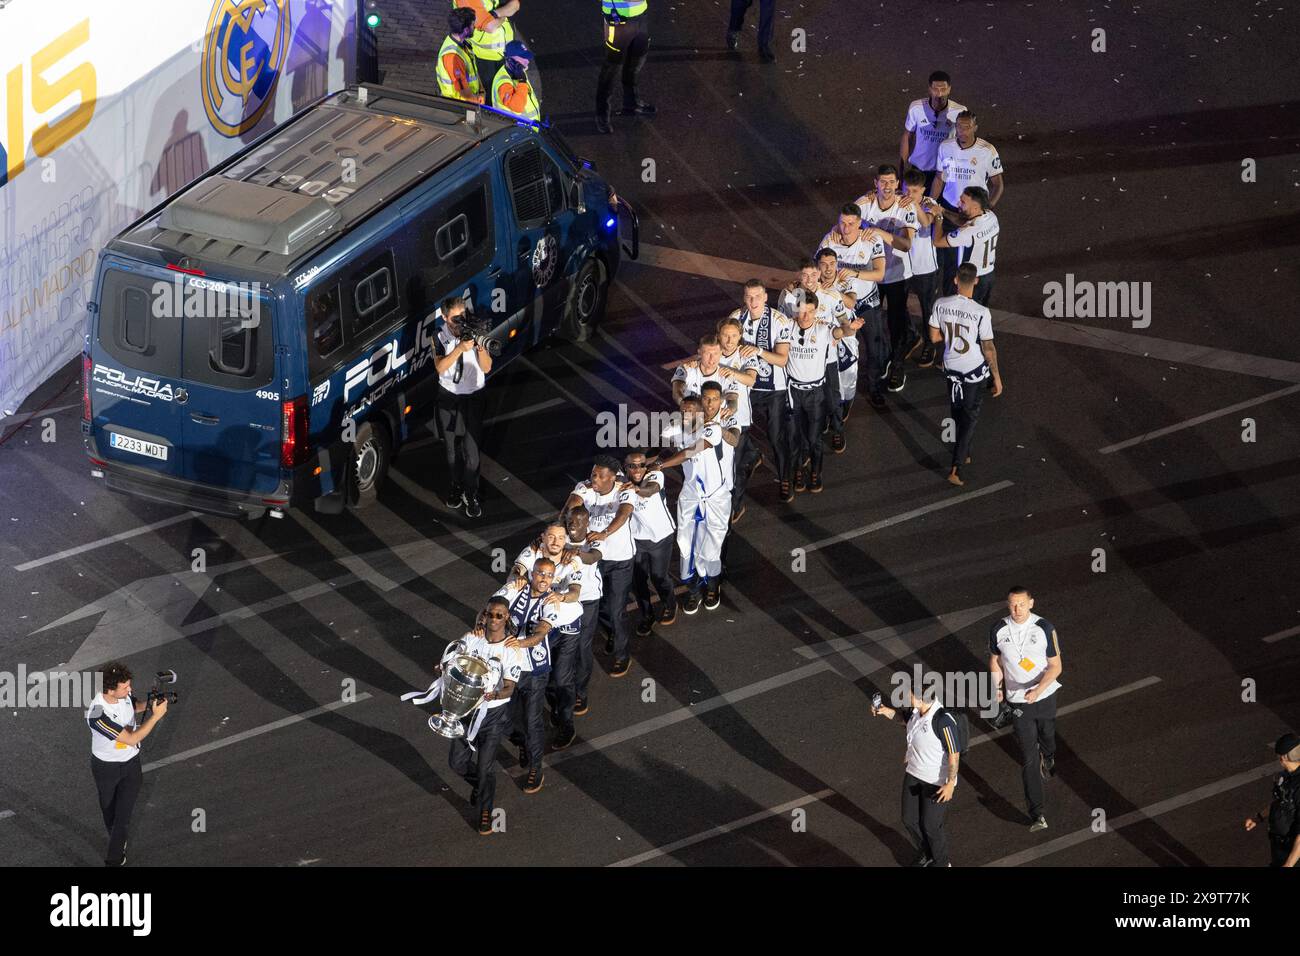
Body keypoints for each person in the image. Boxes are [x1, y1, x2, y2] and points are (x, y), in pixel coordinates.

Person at [442, 596, 527, 835]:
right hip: (466, 712)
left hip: (492, 716)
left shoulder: (511, 649)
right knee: (456, 763)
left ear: (507, 617)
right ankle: (480, 787)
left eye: (500, 615)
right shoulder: (472, 638)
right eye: (490, 614)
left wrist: (496, 694)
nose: (494, 619)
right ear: (484, 615)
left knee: (485, 768)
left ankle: (485, 812)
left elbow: (510, 686)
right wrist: (444, 668)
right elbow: (455, 661)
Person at [654, 389, 737, 612]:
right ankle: (693, 590)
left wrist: (662, 465)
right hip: (690, 495)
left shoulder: (712, 430)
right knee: (684, 546)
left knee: (710, 550)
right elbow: (658, 445)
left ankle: (712, 586)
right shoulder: (676, 428)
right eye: (682, 411)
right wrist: (641, 465)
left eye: (691, 412)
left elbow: (693, 450)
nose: (685, 415)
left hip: (716, 498)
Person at [987, 587, 1061, 833]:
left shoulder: (1045, 628)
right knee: (1028, 757)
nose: (1016, 609)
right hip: (1018, 700)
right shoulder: (998, 629)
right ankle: (1037, 813)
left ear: (1031, 603)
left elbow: (1055, 666)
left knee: (1048, 734)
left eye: (1021, 604)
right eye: (1012, 605)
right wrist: (997, 687)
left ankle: (1049, 755)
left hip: (1045, 695)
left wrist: (1038, 690)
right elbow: (996, 660)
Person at [86, 662, 168, 866]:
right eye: (125, 687)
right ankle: (118, 840)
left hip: (131, 765)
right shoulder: (97, 714)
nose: (130, 689)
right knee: (110, 813)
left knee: (122, 817)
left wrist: (150, 704)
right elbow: (131, 739)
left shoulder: (124, 696)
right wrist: (156, 716)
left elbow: (135, 705)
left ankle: (114, 860)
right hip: (106, 768)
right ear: (109, 690)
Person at [510, 524, 584, 750]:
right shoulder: (531, 552)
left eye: (560, 538)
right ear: (542, 538)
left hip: (567, 625)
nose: (555, 541)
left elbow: (575, 592)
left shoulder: (573, 560)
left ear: (566, 540)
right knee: (545, 677)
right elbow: (515, 571)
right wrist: (518, 579)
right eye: (551, 536)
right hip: (541, 627)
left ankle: (566, 723)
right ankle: (552, 710)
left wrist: (559, 598)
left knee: (562, 678)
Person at [872, 679, 961, 867]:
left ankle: (942, 863)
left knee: (930, 826)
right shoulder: (916, 712)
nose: (907, 697)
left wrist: (950, 784)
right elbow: (905, 721)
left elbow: (954, 753)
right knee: (909, 820)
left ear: (921, 698)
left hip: (936, 782)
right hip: (914, 773)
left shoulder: (943, 720)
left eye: (911, 694)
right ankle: (927, 853)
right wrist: (884, 711)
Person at [928, 263, 1002, 486]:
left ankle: (965, 450)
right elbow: (988, 347)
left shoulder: (940, 304)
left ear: (955, 280)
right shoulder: (981, 312)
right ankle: (956, 467)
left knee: (957, 410)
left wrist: (949, 339)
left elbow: (933, 337)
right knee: (970, 417)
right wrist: (996, 376)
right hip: (972, 371)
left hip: (951, 368)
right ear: (976, 281)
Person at [562, 456, 637, 678]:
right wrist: (561, 526)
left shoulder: (624, 489)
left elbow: (623, 514)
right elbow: (572, 505)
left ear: (612, 477)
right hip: (593, 559)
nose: (594, 479)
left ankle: (622, 655)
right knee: (601, 604)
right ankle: (612, 632)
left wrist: (605, 533)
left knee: (616, 609)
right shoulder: (585, 487)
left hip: (619, 559)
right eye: (593, 473)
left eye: (600, 476)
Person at [497, 558, 568, 794]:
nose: (544, 579)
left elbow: (540, 633)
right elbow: (492, 606)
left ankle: (536, 768)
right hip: (508, 667)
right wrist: (481, 623)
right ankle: (522, 743)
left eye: (549, 576)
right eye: (540, 574)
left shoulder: (552, 601)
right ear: (533, 574)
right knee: (503, 718)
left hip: (534, 670)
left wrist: (519, 643)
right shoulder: (517, 587)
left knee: (532, 720)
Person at [784, 295, 860, 494]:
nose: (805, 315)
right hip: (793, 392)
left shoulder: (823, 329)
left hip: (815, 393)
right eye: (801, 311)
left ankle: (816, 472)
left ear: (816, 311)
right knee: (794, 436)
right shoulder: (787, 327)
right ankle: (798, 469)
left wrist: (850, 327)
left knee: (813, 437)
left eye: (810, 311)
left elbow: (840, 332)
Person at [779, 259, 856, 455]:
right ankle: (806, 445)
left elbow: (844, 322)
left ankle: (837, 429)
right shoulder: (788, 297)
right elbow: (781, 325)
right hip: (799, 359)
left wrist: (843, 333)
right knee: (799, 409)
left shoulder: (831, 295)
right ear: (798, 276)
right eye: (805, 275)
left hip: (827, 358)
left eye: (814, 274)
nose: (810, 279)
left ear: (820, 274)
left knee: (832, 398)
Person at [818, 204, 888, 410]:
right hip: (842, 305)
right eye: (842, 223)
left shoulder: (871, 239)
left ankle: (874, 387)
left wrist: (854, 273)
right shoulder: (830, 238)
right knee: (841, 349)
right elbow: (817, 264)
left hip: (866, 301)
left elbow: (880, 274)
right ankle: (843, 395)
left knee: (874, 348)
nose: (846, 229)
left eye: (851, 224)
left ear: (860, 223)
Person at [857, 165, 919, 393]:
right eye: (882, 182)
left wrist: (879, 232)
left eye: (891, 181)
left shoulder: (905, 208)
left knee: (896, 322)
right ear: (875, 183)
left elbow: (906, 244)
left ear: (897, 183)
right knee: (873, 323)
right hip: (872, 275)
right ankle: (882, 360)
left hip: (896, 275)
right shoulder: (864, 204)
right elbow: (845, 221)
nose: (887, 186)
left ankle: (898, 366)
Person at [931, 111, 1004, 295]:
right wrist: (932, 203)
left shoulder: (987, 150)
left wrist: (987, 208)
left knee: (967, 263)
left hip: (972, 214)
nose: (962, 131)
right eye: (959, 127)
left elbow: (998, 184)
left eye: (967, 127)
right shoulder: (945, 147)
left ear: (975, 128)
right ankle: (948, 298)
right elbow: (940, 179)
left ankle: (968, 298)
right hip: (950, 209)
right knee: (947, 260)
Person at [433, 296, 493, 517]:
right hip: (449, 396)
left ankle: (472, 492)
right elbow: (440, 366)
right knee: (452, 450)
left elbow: (486, 368)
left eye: (464, 315)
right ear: (445, 317)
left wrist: (479, 348)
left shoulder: (475, 328)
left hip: (474, 396)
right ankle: (456, 486)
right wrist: (459, 348)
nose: (461, 321)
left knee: (472, 452)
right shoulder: (439, 335)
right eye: (456, 318)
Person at [734, 280, 793, 501]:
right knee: (739, 431)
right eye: (749, 297)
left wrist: (758, 351)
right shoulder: (736, 318)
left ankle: (785, 476)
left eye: (757, 296)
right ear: (744, 297)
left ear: (766, 297)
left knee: (776, 436)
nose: (753, 301)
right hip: (746, 385)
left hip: (773, 389)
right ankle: (751, 456)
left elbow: (782, 359)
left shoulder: (779, 321)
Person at [623, 450, 678, 636]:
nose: (638, 469)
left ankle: (670, 604)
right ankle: (647, 615)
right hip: (638, 539)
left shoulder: (655, 475)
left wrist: (637, 489)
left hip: (661, 536)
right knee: (638, 581)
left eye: (641, 465)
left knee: (659, 576)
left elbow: (651, 489)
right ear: (626, 468)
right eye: (632, 466)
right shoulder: (622, 483)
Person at [716, 315, 761, 523]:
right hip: (715, 421)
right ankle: (754, 453)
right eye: (725, 335)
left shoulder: (745, 355)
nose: (729, 340)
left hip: (739, 419)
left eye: (734, 336)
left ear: (740, 336)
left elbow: (751, 379)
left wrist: (729, 371)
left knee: (734, 469)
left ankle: (736, 505)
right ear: (719, 336)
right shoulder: (712, 354)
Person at [562, 506, 604, 721]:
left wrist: (576, 552)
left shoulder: (592, 538)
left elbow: (594, 556)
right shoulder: (559, 537)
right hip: (562, 600)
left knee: (582, 645)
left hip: (587, 599)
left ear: (586, 523)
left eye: (577, 522)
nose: (572, 525)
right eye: (570, 520)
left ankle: (581, 691)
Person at [900, 168, 941, 369]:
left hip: (925, 267)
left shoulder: (929, 203)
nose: (910, 195)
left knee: (928, 308)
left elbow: (926, 223)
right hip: (903, 267)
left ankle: (930, 343)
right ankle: (911, 335)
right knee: (899, 305)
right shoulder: (898, 203)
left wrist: (915, 203)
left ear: (923, 190)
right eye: (907, 190)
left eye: (914, 191)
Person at [933, 186, 999, 307]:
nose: (958, 203)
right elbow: (963, 220)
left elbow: (937, 242)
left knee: (967, 315)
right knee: (981, 312)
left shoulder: (969, 231)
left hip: (973, 280)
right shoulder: (991, 216)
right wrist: (943, 210)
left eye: (963, 202)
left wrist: (938, 217)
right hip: (989, 275)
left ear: (975, 207)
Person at [899, 71, 965, 193]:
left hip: (943, 171)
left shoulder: (960, 111)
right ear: (929, 89)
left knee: (937, 207)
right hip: (919, 169)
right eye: (935, 89)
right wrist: (902, 169)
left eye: (943, 89)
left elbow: (964, 140)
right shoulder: (916, 108)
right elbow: (907, 135)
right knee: (912, 205)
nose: (939, 93)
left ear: (949, 89)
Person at [595, 0, 655, 134]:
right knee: (611, 69)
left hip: (640, 17)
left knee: (636, 61)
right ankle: (601, 114)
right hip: (618, 22)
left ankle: (631, 102)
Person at [1244, 733, 1300, 867]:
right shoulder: (1286, 777)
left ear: (1283, 758)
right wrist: (1258, 817)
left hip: (1293, 853)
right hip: (1280, 846)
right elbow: (1280, 802)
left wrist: (1289, 864)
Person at [452, 0, 520, 92]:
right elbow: (490, 26)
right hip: (486, 57)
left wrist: (495, 14)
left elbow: (515, 5)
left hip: (506, 51)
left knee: (508, 88)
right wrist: (504, 12)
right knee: (492, 93)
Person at [437, 7, 485, 104]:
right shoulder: (453, 57)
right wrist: (479, 103)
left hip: (471, 98)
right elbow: (465, 94)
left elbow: (473, 70)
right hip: (460, 105)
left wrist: (481, 91)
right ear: (466, 30)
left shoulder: (462, 43)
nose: (475, 27)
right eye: (472, 24)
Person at [491, 40, 540, 121]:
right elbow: (517, 107)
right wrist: (522, 81)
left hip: (528, 128)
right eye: (523, 57)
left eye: (527, 57)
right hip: (516, 131)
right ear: (510, 59)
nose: (527, 61)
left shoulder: (519, 71)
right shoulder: (503, 82)